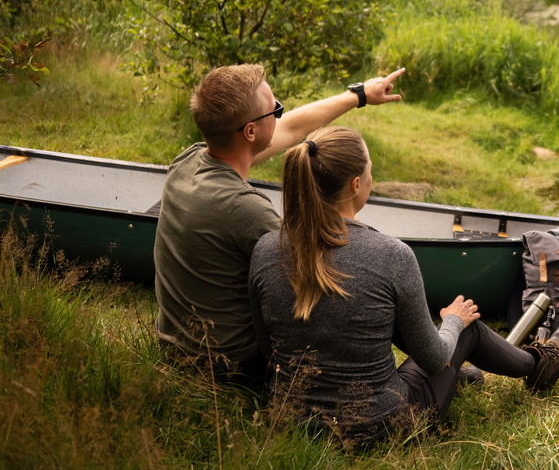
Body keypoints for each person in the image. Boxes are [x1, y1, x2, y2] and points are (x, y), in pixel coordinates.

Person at [249, 126, 559, 445]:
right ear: (354, 185)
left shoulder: (265, 249)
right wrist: (453, 320)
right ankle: (539, 366)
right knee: (466, 327)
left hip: (293, 422)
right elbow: (435, 359)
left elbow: (267, 348)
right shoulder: (392, 255)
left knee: (387, 316)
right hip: (383, 425)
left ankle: (465, 373)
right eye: (369, 171)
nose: (371, 179)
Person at [154, 64, 405, 386]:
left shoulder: (188, 161)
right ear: (250, 132)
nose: (279, 115)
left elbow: (291, 128)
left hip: (176, 346)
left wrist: (359, 96)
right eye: (276, 109)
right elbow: (318, 278)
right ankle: (436, 359)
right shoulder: (245, 210)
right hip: (230, 368)